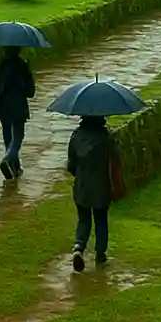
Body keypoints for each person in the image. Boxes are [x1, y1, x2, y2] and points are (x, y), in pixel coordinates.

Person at [67, 114, 113, 270]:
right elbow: (114, 162)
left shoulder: (76, 136)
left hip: (82, 186)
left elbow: (71, 165)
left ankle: (79, 247)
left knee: (84, 219)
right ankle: (100, 255)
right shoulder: (107, 137)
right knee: (101, 220)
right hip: (101, 185)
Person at [0, 45, 35, 179]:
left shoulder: (1, 66)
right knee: (18, 137)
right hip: (19, 106)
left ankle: (15, 168)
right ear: (19, 50)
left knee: (8, 137)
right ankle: (8, 159)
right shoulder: (23, 66)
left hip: (3, 106)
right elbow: (31, 92)